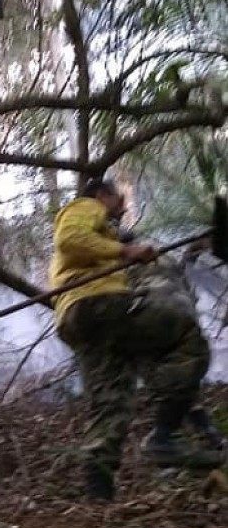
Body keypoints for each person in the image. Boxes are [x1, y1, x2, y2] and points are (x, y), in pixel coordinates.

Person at [50, 178, 217, 502]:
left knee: (111, 402)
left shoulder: (103, 240)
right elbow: (69, 238)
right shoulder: (86, 206)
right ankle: (164, 435)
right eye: (119, 200)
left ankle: (99, 497)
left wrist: (127, 251)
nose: (123, 208)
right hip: (99, 305)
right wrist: (126, 250)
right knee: (184, 332)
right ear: (102, 195)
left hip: (80, 322)